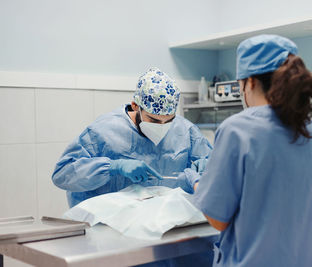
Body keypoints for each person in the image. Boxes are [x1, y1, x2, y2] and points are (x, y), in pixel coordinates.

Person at [179, 35, 312, 266]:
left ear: (250, 82)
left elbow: (217, 220)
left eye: (239, 85)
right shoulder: (310, 131)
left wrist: (199, 184)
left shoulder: (238, 130)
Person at [52, 67, 214, 266]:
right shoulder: (103, 131)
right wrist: (113, 166)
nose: (162, 127)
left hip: (169, 235)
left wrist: (208, 168)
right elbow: (63, 173)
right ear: (135, 105)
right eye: (154, 120)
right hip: (116, 238)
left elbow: (212, 169)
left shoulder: (185, 130)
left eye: (168, 120)